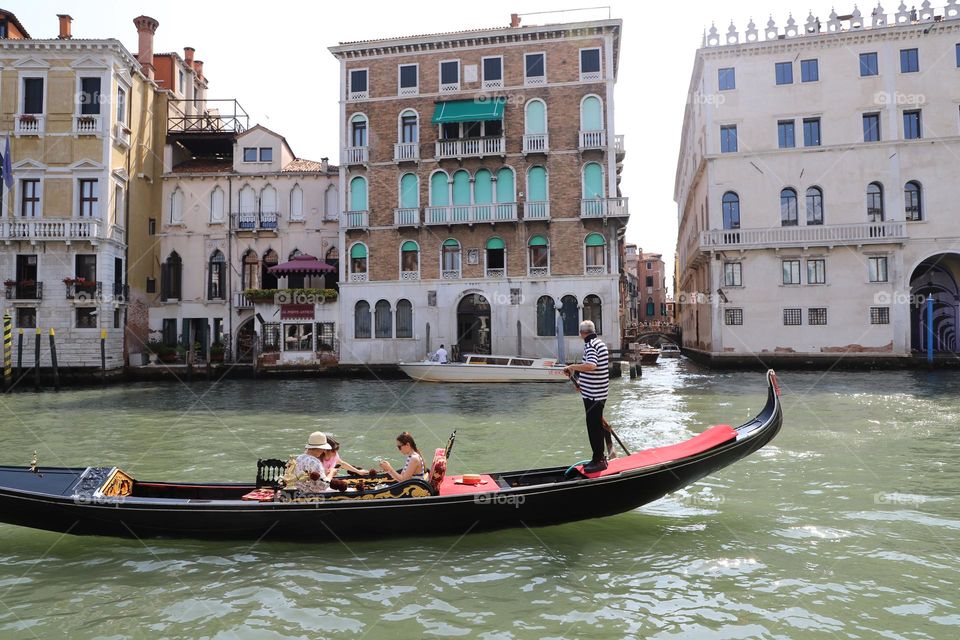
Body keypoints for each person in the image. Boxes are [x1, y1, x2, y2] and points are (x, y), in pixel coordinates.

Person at [563, 320, 610, 473]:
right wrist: (580, 382)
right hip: (598, 392)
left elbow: (591, 365)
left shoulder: (590, 345)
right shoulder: (600, 343)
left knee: (593, 427)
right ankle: (597, 457)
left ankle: (599, 460)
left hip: (594, 395)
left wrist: (571, 367)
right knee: (595, 424)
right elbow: (595, 369)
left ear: (582, 333)